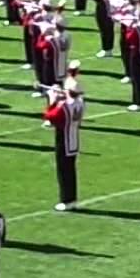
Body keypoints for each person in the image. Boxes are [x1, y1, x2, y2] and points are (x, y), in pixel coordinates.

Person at [42, 77, 85, 211]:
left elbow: (50, 116)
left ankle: (67, 200)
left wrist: (52, 99)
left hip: (63, 139)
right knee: (70, 171)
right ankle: (71, 198)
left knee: (63, 170)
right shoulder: (80, 102)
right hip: (74, 138)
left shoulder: (65, 105)